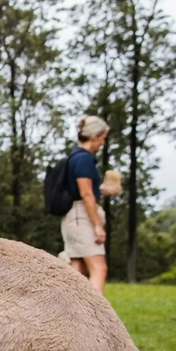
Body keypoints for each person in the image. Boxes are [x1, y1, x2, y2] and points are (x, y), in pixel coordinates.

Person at [60, 116, 118, 294]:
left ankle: (67, 317)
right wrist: (98, 226)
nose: (103, 143)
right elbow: (85, 194)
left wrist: (100, 190)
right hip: (81, 216)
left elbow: (83, 189)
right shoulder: (84, 159)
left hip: (74, 216)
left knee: (77, 270)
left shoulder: (75, 156)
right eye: (103, 138)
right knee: (99, 269)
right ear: (94, 136)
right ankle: (93, 318)